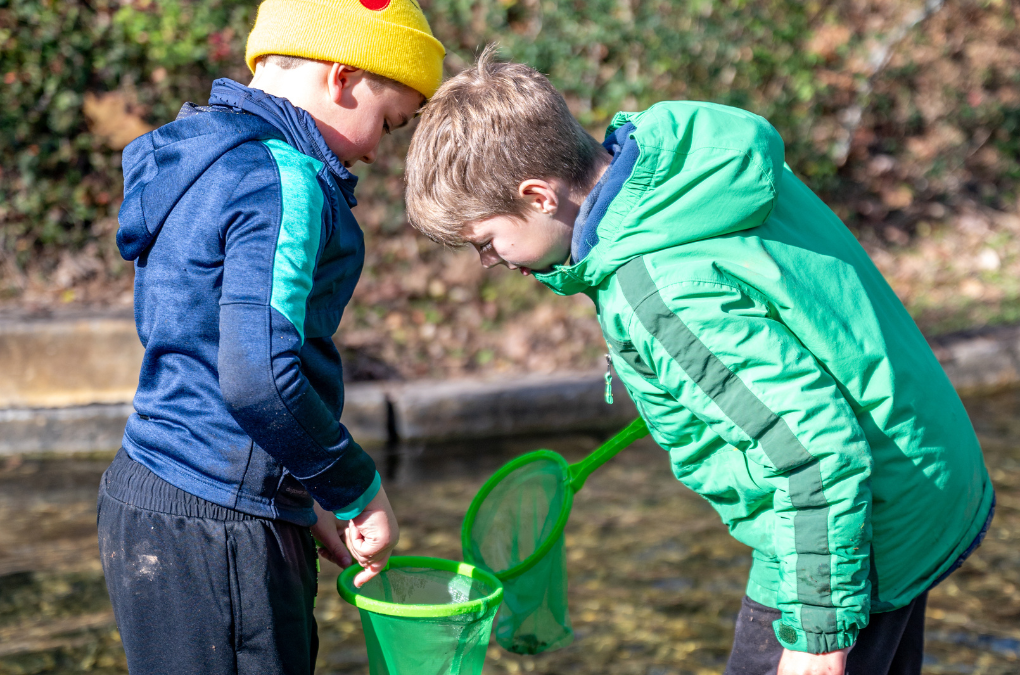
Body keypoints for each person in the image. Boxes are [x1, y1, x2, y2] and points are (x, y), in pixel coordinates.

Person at [403, 48, 994, 675]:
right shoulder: (684, 169)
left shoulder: (656, 290)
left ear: (539, 196)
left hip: (860, 524)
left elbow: (815, 454)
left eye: (486, 242)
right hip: (922, 464)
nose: (490, 262)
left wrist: (817, 639)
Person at [98, 1, 444, 673]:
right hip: (223, 528)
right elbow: (259, 376)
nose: (375, 150)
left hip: (146, 493)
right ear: (342, 78)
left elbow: (202, 353)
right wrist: (356, 489)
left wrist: (302, 490)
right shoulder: (283, 180)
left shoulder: (198, 160)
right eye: (387, 122)